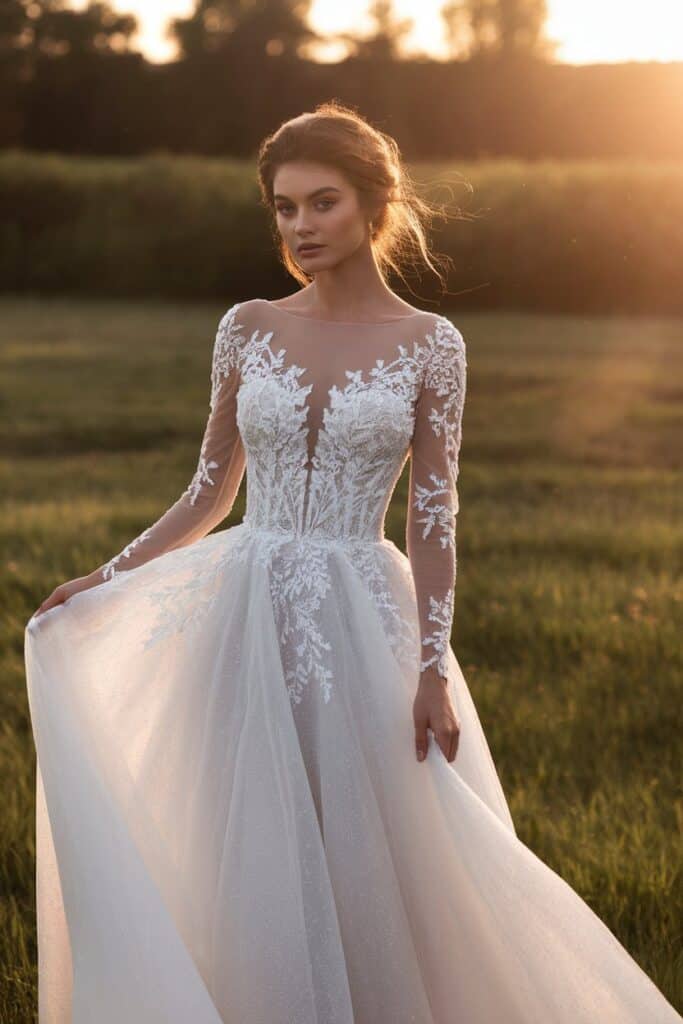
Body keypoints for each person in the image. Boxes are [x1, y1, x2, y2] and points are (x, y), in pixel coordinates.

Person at [24, 101, 681, 1024]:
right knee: (249, 832)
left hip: (361, 610)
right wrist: (106, 577)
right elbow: (210, 491)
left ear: (376, 204)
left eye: (321, 203)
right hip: (242, 607)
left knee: (379, 841)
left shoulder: (430, 345)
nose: (300, 229)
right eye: (284, 209)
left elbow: (432, 512)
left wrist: (429, 667)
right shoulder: (247, 325)